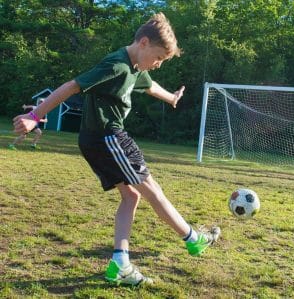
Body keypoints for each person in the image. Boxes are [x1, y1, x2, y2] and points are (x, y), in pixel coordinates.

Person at [13, 12, 220, 286]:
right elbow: (72, 86)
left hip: (97, 139)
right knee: (153, 191)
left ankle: (120, 263)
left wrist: (171, 97)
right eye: (158, 58)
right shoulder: (117, 66)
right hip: (108, 137)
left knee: (131, 197)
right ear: (144, 42)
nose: (158, 65)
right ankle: (194, 239)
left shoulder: (135, 67)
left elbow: (149, 86)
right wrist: (35, 115)